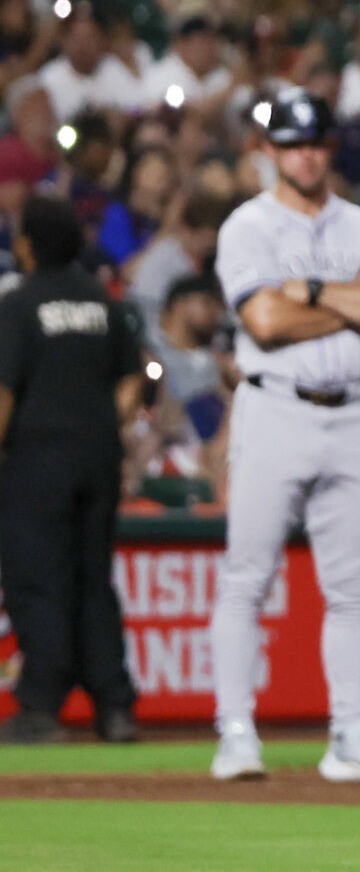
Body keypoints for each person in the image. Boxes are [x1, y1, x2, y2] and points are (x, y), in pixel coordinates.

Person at [209, 89, 360, 782]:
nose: (305, 153)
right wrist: (347, 297)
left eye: (316, 142)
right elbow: (263, 321)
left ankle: (351, 733)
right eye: (292, 142)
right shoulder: (247, 225)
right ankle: (237, 731)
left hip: (352, 409)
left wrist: (311, 291)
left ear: (331, 146)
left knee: (352, 587)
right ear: (268, 149)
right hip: (274, 408)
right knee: (247, 574)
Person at [0, 197, 145, 743]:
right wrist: (105, 425)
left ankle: (41, 704)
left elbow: (3, 389)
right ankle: (115, 707)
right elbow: (133, 380)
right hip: (97, 456)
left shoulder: (19, 305)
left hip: (36, 459)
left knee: (39, 582)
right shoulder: (102, 303)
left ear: (28, 245)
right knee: (93, 580)